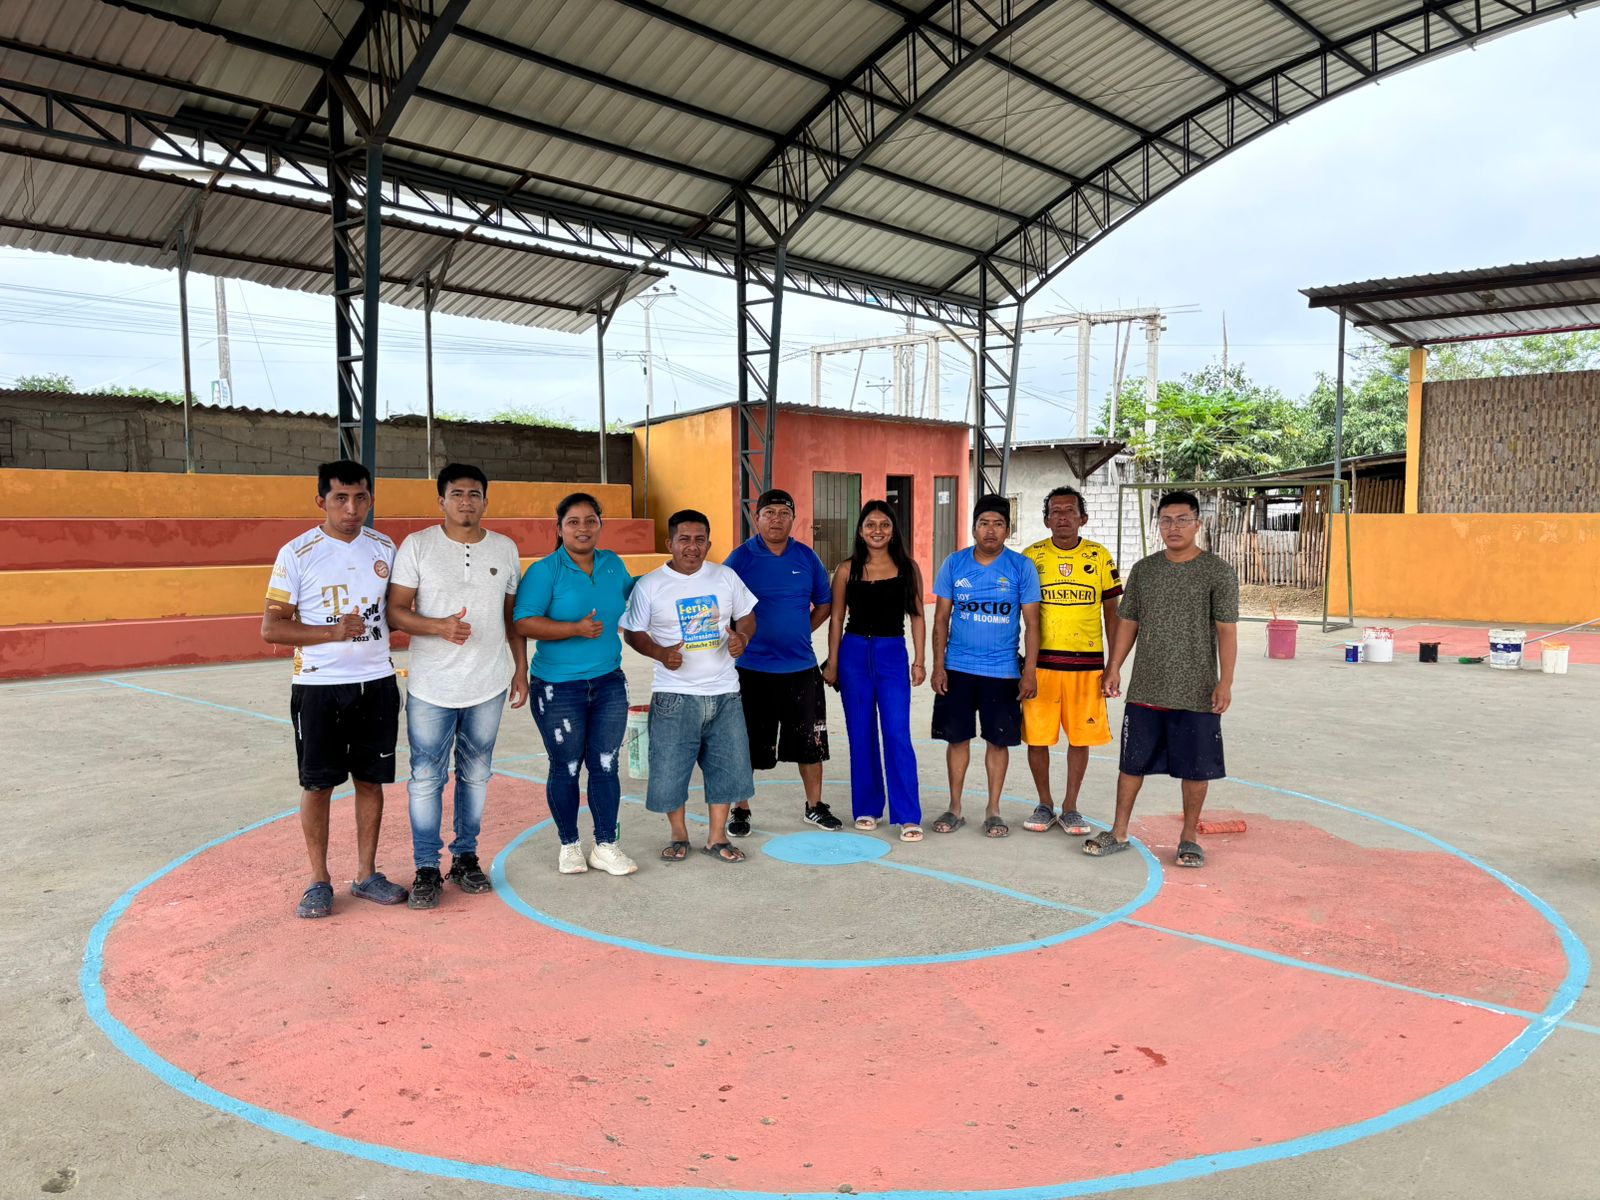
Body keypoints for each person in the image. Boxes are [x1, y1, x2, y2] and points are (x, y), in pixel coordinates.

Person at [262, 460, 407, 918]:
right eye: (340, 498)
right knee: (319, 784)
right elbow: (271, 628)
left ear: (370, 500)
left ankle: (366, 874)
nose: (351, 508)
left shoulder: (385, 547)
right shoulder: (297, 553)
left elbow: (398, 610)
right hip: (319, 685)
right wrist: (333, 632)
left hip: (377, 682)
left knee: (371, 780)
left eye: (360, 498)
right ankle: (318, 880)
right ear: (321, 500)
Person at [387, 463, 528, 909]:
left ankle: (465, 857)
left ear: (485, 500)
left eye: (474, 494)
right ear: (441, 500)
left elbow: (511, 618)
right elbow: (395, 611)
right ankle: (426, 866)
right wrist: (438, 627)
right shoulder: (418, 545)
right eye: (457, 494)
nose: (466, 501)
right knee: (426, 778)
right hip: (432, 686)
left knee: (477, 775)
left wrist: (520, 669)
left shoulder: (505, 548)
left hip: (488, 682)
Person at [1092, 490, 1239, 868]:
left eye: (1182, 520)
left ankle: (1189, 838)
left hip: (1197, 690)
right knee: (1131, 764)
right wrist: (1114, 666)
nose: (1174, 527)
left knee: (1196, 767)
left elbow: (1226, 630)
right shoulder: (1144, 570)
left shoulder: (1217, 571)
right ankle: (1118, 831)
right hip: (1146, 687)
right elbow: (1129, 621)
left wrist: (1225, 682)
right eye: (1166, 521)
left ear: (1197, 524)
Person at [620, 509, 758, 864]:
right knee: (670, 769)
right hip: (674, 694)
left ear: (709, 544)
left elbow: (747, 615)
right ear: (670, 543)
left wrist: (742, 638)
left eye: (700, 540)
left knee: (727, 767)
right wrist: (660, 653)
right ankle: (679, 834)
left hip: (725, 693)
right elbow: (633, 632)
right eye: (684, 539)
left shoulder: (725, 577)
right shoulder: (650, 584)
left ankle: (717, 837)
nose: (692, 547)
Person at [513, 491, 639, 877]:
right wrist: (574, 629)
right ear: (559, 528)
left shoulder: (613, 564)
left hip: (608, 682)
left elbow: (635, 596)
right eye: (573, 522)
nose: (582, 528)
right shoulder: (544, 571)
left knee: (605, 764)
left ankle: (605, 845)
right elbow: (523, 622)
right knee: (566, 766)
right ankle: (569, 844)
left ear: (601, 525)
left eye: (590, 521)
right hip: (558, 687)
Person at [722, 488, 841, 835]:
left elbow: (824, 603)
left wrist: (801, 629)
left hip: (800, 669)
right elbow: (722, 605)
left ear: (793, 519)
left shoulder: (807, 557)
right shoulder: (740, 559)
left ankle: (815, 806)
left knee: (811, 743)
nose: (776, 519)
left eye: (784, 513)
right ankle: (740, 809)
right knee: (744, 743)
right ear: (756, 518)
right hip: (752, 670)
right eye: (769, 513)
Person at [929, 494, 1041, 838]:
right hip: (958, 668)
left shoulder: (1021, 567)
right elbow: (940, 619)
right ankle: (955, 807)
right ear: (974, 527)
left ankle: (993, 810)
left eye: (998, 524)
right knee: (957, 740)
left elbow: (1033, 624)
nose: (990, 530)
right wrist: (938, 666)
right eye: (984, 523)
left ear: (1008, 529)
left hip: (1003, 672)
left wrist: (1029, 671)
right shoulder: (954, 563)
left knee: (998, 742)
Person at [1020, 486, 1122, 837]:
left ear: (1083, 518)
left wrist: (1113, 665)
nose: (1063, 517)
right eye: (1056, 511)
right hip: (1042, 666)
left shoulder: (1100, 556)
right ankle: (1044, 803)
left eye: (1070, 511)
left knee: (1080, 738)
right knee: (1038, 738)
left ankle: (1071, 807)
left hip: (1087, 666)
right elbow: (1022, 615)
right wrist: (1024, 667)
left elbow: (1113, 615)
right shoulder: (1031, 557)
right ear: (1046, 520)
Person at [822, 500, 926, 841]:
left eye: (884, 524)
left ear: (893, 531)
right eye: (870, 525)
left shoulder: (908, 568)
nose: (877, 531)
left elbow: (917, 616)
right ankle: (867, 807)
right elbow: (836, 618)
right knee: (860, 732)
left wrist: (919, 660)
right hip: (853, 655)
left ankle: (907, 815)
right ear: (860, 530)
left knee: (897, 734)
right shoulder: (846, 569)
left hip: (892, 653)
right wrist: (833, 661)